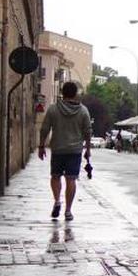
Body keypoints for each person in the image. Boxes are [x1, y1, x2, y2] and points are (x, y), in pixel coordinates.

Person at [38, 81, 93, 220]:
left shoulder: (53, 109)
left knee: (55, 176)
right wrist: (87, 149)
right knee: (71, 180)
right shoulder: (83, 111)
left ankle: (57, 201)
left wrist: (41, 146)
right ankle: (68, 210)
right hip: (75, 150)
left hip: (57, 149)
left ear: (62, 93)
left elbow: (45, 128)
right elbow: (88, 132)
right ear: (75, 94)